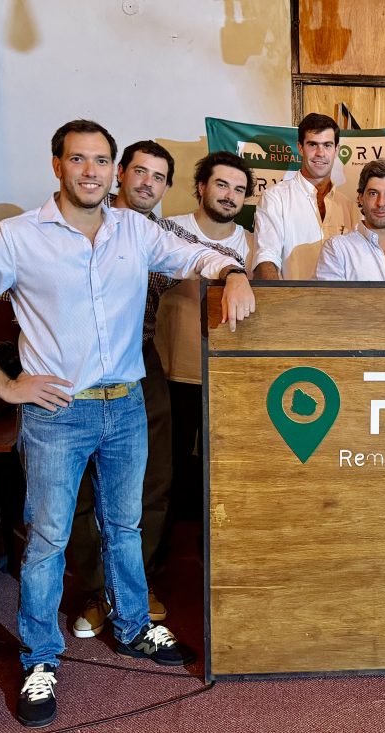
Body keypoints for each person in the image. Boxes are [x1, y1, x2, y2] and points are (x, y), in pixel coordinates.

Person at [0, 120, 254, 728]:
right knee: (48, 540)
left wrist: (232, 273)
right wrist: (6, 385)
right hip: (58, 411)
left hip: (126, 404)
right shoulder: (18, 237)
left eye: (101, 161)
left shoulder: (135, 229)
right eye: (79, 159)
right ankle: (40, 658)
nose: (91, 172)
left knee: (125, 527)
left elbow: (196, 254)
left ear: (113, 170)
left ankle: (131, 627)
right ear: (57, 165)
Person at [68, 141, 253, 640]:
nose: (148, 183)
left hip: (140, 359)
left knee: (154, 480)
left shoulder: (162, 233)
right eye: (140, 172)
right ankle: (97, 590)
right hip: (73, 364)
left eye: (158, 177)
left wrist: (235, 272)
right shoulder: (75, 223)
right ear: (120, 174)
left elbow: (209, 255)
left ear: (168, 186)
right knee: (83, 486)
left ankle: (137, 583)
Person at [155, 151, 252, 517]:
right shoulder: (167, 232)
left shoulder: (253, 245)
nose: (230, 195)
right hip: (171, 375)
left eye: (239, 190)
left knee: (222, 473)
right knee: (167, 471)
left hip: (227, 377)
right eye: (222, 185)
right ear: (201, 187)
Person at [253, 112, 359, 280]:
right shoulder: (275, 198)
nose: (320, 153)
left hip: (340, 297)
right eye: (313, 144)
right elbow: (266, 258)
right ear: (300, 148)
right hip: (292, 297)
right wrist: (277, 296)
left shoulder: (348, 206)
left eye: (327, 145)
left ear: (337, 150)